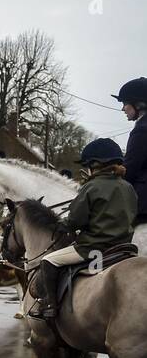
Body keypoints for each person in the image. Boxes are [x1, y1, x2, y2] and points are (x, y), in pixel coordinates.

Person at [31, 138, 138, 319]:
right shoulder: (128, 187)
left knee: (48, 261)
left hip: (93, 247)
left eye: (88, 165)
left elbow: (75, 221)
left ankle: (50, 305)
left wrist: (60, 225)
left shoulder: (91, 187)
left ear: (95, 165)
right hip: (123, 247)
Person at [114, 77, 147, 224]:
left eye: (125, 103)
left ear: (139, 104)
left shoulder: (141, 130)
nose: (123, 108)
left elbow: (130, 169)